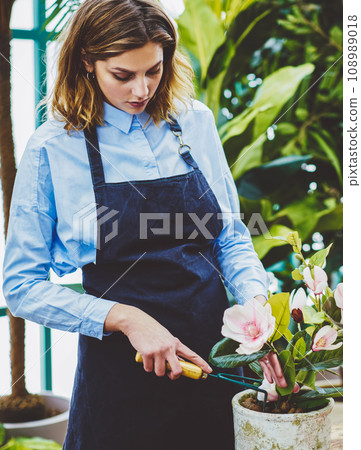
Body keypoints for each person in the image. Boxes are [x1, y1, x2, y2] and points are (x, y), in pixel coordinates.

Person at [3, 1, 286, 448]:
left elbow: (230, 238)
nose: (142, 89)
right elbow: (21, 288)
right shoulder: (53, 148)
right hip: (120, 381)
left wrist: (258, 316)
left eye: (153, 71)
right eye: (123, 75)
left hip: (215, 364)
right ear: (86, 62)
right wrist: (127, 318)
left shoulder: (196, 123)